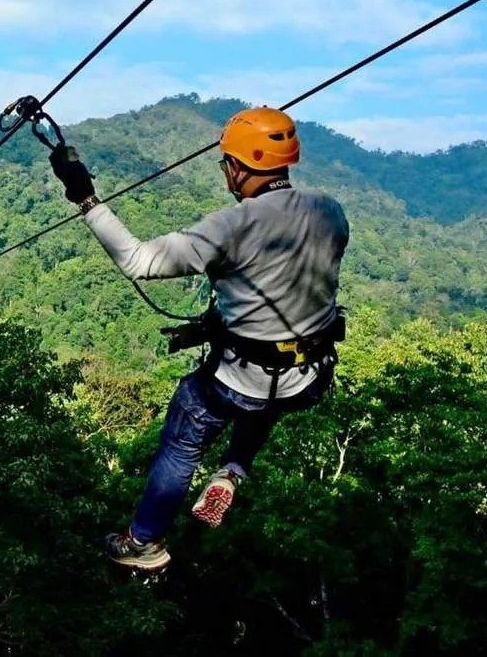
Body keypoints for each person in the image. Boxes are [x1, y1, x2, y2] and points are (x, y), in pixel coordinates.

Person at [48, 105, 349, 573]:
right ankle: (234, 468)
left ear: (236, 166)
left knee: (190, 422)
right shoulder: (330, 210)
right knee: (269, 394)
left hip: (241, 381)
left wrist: (85, 197)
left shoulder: (232, 226)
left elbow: (139, 261)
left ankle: (143, 541)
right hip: (308, 376)